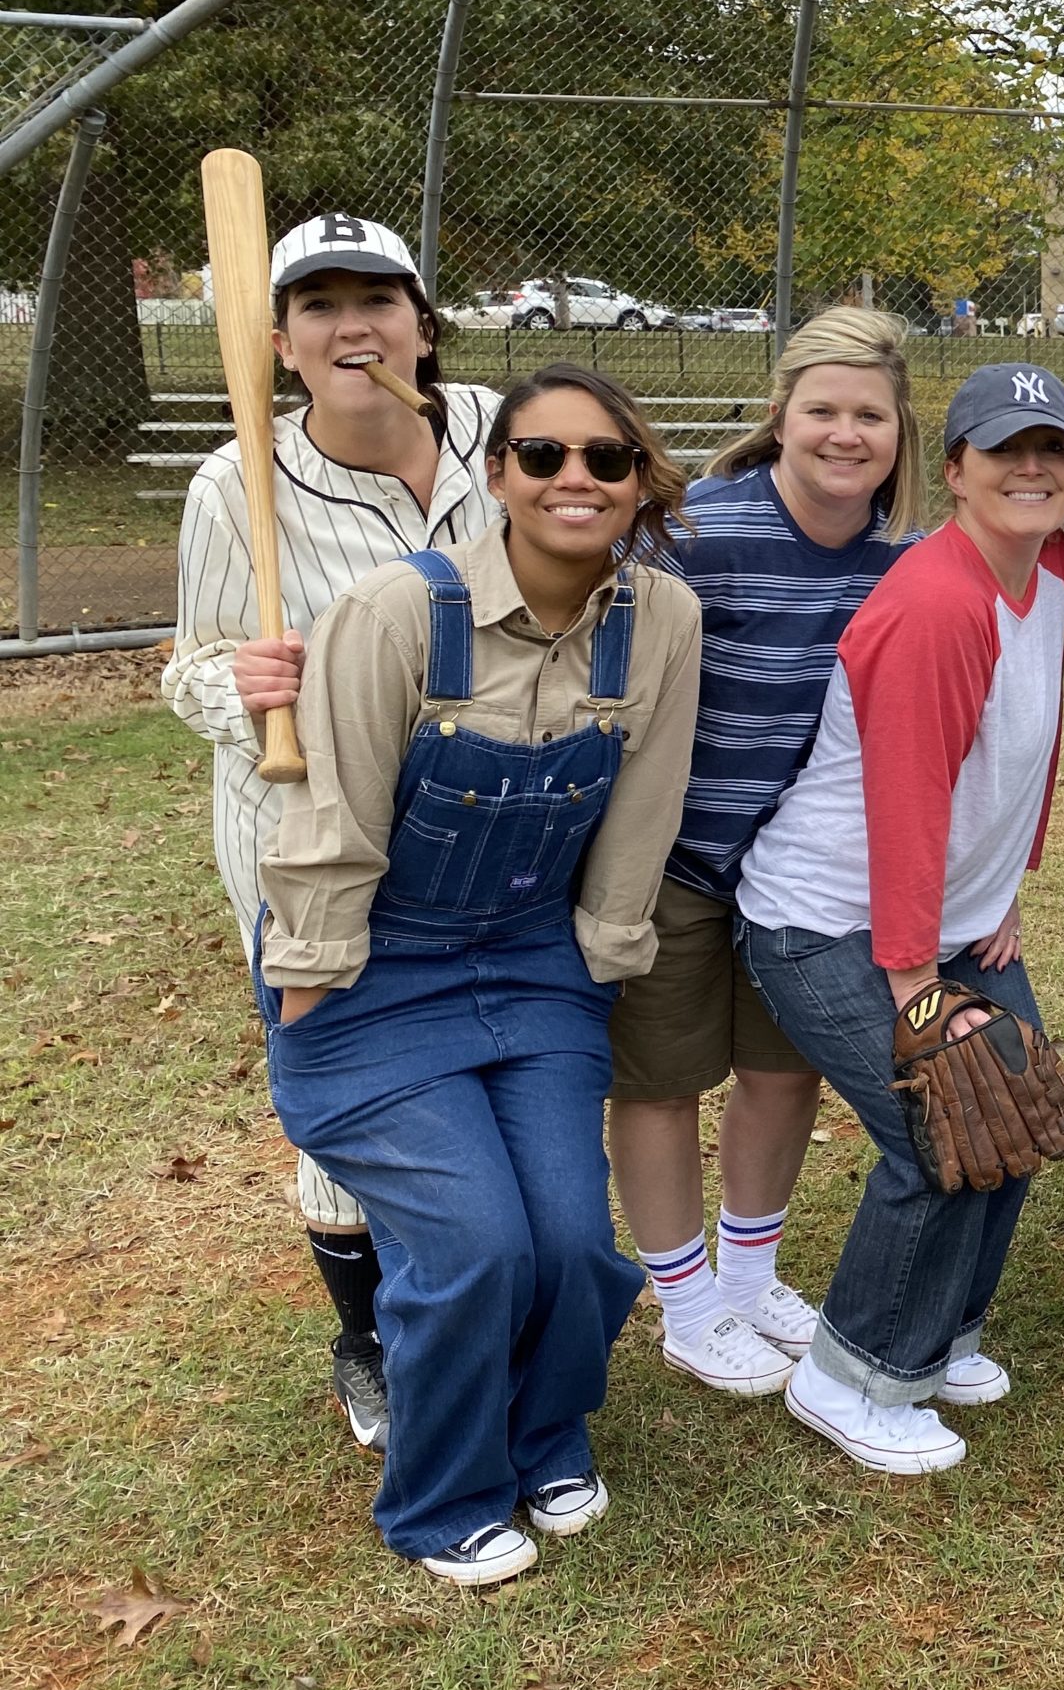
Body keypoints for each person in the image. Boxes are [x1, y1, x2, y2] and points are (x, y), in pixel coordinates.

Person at [255, 364, 701, 1585]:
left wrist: (600, 971)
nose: (576, 479)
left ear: (635, 480)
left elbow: (642, 816)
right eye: (544, 455)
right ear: (496, 473)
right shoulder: (398, 612)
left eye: (606, 459)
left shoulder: (661, 619)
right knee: (474, 1245)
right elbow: (330, 812)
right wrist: (310, 1003)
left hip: (534, 965)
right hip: (375, 974)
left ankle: (542, 1430)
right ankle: (443, 1493)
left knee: (566, 1239)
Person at [164, 213, 504, 1457]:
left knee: (483, 1053)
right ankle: (366, 1337)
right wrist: (238, 682)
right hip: (302, 823)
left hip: (479, 818)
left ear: (423, 318)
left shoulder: (495, 430)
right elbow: (188, 665)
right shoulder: (232, 481)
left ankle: (481, 1286)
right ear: (280, 342)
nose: (353, 326)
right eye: (319, 306)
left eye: (379, 299)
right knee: (342, 1072)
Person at [734, 362, 1064, 1474]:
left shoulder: (1048, 571)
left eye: (1051, 449)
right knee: (940, 1124)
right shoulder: (939, 600)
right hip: (830, 921)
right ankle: (853, 1376)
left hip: (943, 918)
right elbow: (907, 796)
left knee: (1016, 1111)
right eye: (1004, 450)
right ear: (956, 471)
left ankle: (940, 1333)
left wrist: (1004, 889)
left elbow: (1021, 760)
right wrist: (908, 983)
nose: (1030, 468)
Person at [603, 309, 924, 1400]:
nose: (845, 433)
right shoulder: (696, 535)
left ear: (899, 429)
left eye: (868, 414)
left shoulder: (909, 558)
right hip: (675, 866)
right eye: (822, 409)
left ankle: (747, 1280)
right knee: (659, 1081)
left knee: (783, 1074)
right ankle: (687, 1305)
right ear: (780, 414)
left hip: (801, 881)